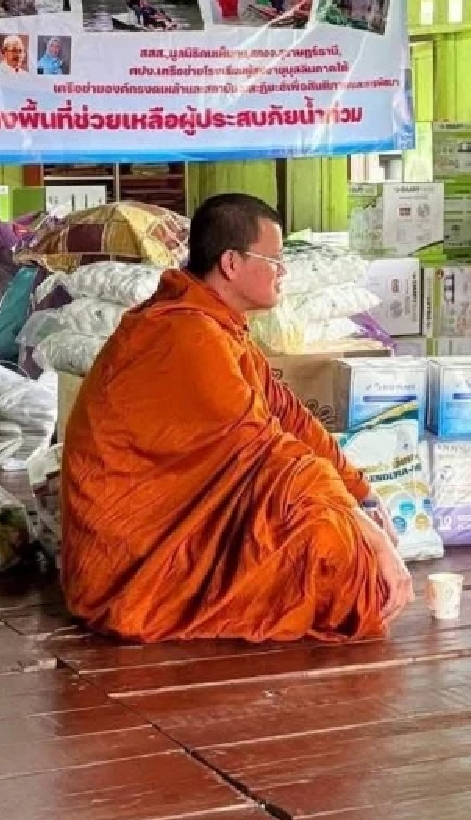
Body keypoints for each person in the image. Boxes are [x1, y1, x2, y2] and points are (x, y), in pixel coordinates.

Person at [62, 194, 413, 643]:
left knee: (342, 543)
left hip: (189, 522)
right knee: (348, 562)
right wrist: (376, 541)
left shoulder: (218, 325)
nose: (283, 272)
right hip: (135, 559)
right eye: (275, 259)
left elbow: (291, 418)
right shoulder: (182, 333)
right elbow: (268, 449)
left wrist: (362, 495)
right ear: (231, 263)